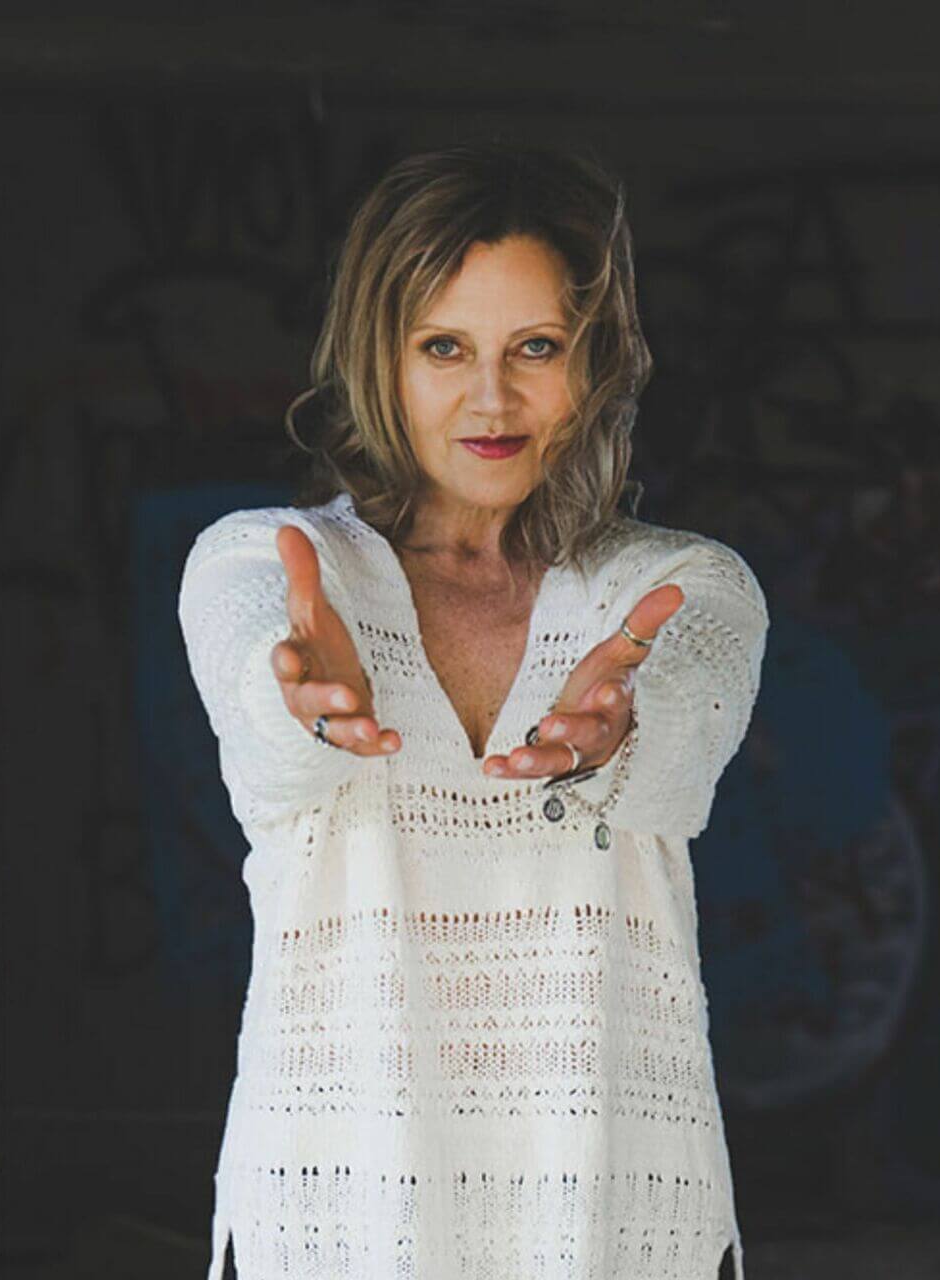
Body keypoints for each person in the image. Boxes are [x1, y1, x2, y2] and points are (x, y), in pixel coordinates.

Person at [178, 140, 768, 1280]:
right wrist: (300, 698)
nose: (491, 398)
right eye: (442, 347)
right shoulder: (264, 562)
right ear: (379, 359)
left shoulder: (682, 587)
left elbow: (679, 756)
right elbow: (265, 738)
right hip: (338, 1218)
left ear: (593, 361)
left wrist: (620, 730)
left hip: (608, 1217)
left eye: (534, 347)